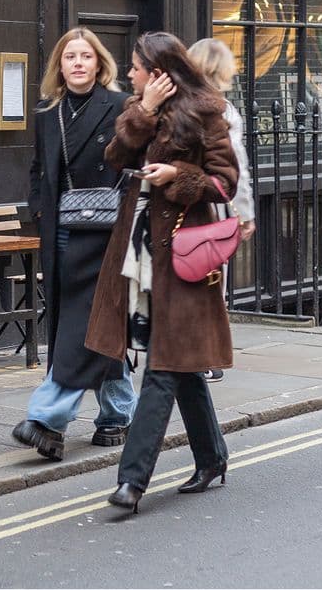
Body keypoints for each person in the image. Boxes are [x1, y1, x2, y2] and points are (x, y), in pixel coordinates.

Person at [86, 31, 238, 513]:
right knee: (183, 362)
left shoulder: (207, 111)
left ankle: (132, 481)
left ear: (157, 71)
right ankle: (212, 457)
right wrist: (144, 111)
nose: (128, 73)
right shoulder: (139, 107)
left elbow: (224, 183)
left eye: (134, 66)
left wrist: (178, 178)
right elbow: (113, 157)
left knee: (165, 367)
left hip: (183, 252)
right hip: (141, 250)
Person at [11, 27, 137, 463]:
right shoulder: (48, 113)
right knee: (81, 319)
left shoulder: (121, 106)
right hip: (63, 227)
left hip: (106, 231)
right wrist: (39, 210)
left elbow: (136, 164)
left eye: (86, 56)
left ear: (100, 63)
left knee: (87, 321)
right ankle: (117, 413)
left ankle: (49, 421)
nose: (78, 63)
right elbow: (36, 170)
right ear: (59, 66)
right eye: (70, 57)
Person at [188, 38, 257, 383]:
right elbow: (237, 166)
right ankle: (207, 355)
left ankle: (189, 353)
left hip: (176, 206)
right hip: (214, 207)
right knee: (213, 281)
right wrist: (244, 212)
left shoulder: (176, 106)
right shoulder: (224, 111)